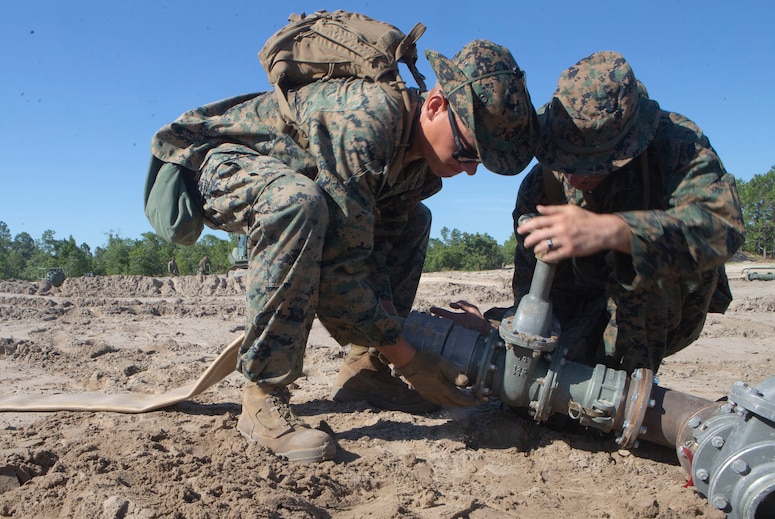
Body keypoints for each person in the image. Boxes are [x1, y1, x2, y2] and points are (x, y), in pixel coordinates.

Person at [150, 38, 539, 462]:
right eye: (467, 150)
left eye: (480, 162)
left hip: (295, 184)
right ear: (435, 106)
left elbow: (371, 255)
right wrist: (409, 359)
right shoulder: (367, 121)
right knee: (296, 203)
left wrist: (386, 340)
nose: (468, 169)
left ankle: (365, 370)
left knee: (415, 218)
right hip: (216, 162)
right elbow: (337, 277)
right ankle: (262, 394)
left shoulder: (418, 169)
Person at [434, 50, 745, 376]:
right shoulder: (542, 186)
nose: (573, 177)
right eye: (562, 159)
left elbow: (724, 227)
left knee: (640, 268)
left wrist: (616, 231)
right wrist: (494, 329)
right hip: (585, 307)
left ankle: (628, 385)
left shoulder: (678, 146)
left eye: (590, 164)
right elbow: (537, 297)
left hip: (665, 308)